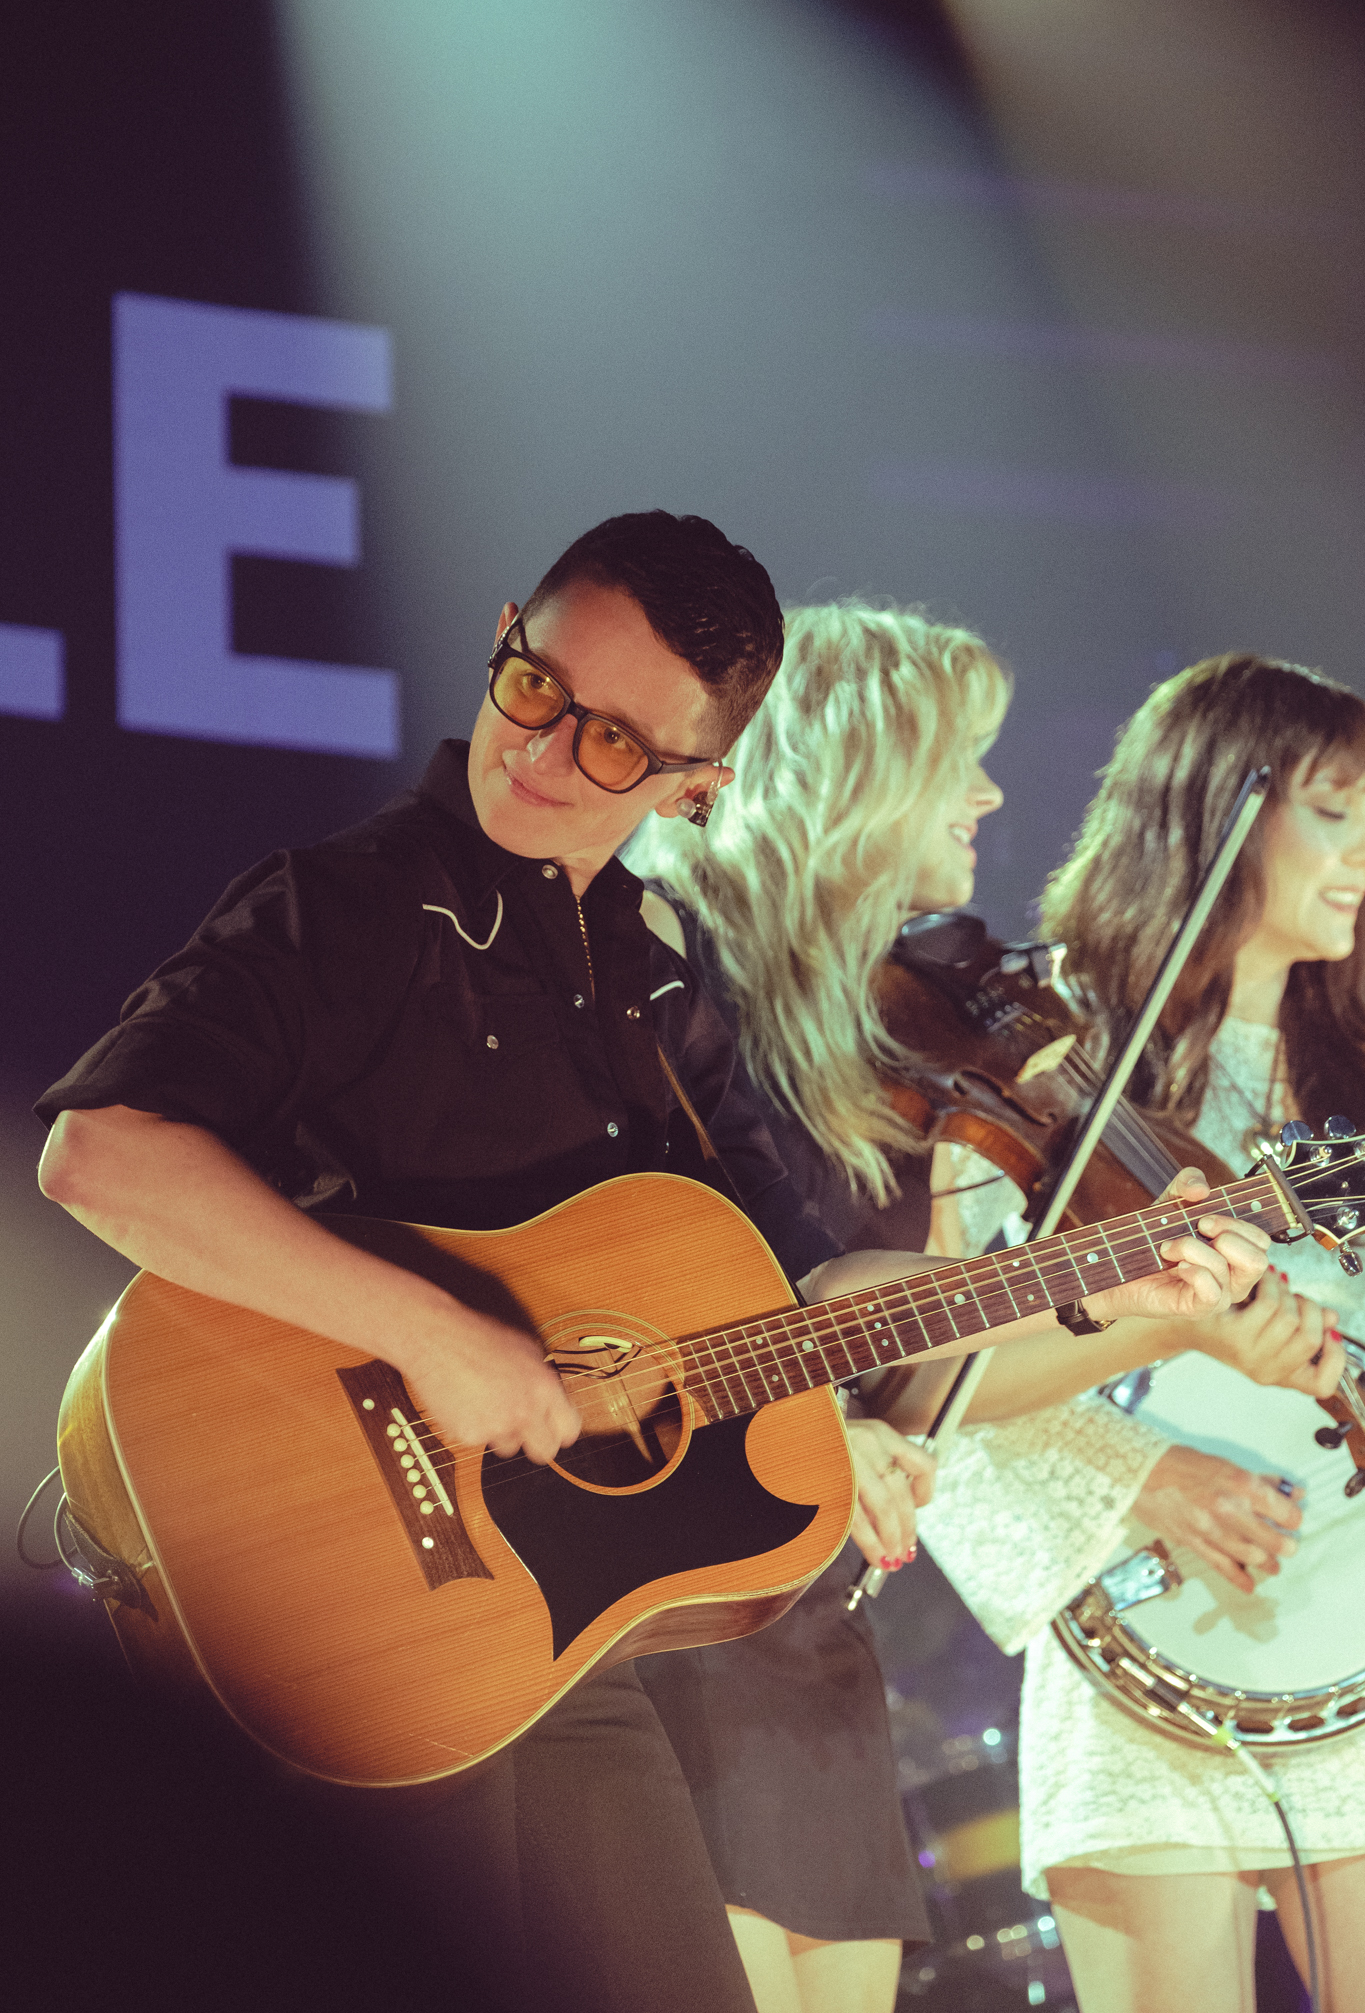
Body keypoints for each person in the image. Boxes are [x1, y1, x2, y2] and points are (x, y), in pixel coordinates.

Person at [32, 523, 1257, 2013]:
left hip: (556, 1644)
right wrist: (438, 1336)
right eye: (536, 686)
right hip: (357, 1598)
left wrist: (1085, 1285)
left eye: (612, 739)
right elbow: (103, 1155)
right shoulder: (337, 906)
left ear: (697, 784)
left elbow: (807, 1304)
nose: (544, 747)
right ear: (507, 633)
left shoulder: (657, 977)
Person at [626, 608, 1313, 2013]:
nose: (991, 797)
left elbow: (925, 1378)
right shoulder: (667, 976)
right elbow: (637, 1281)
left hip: (814, 1614)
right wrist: (823, 1421)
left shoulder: (894, 1041)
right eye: (958, 760)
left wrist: (1147, 1308)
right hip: (659, 1592)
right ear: (855, 772)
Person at [922, 652, 1365, 2013]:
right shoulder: (1044, 1074)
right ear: (1213, 811)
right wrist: (1144, 1477)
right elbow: (932, 1384)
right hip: (1135, 1655)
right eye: (1333, 811)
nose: (1364, 853)